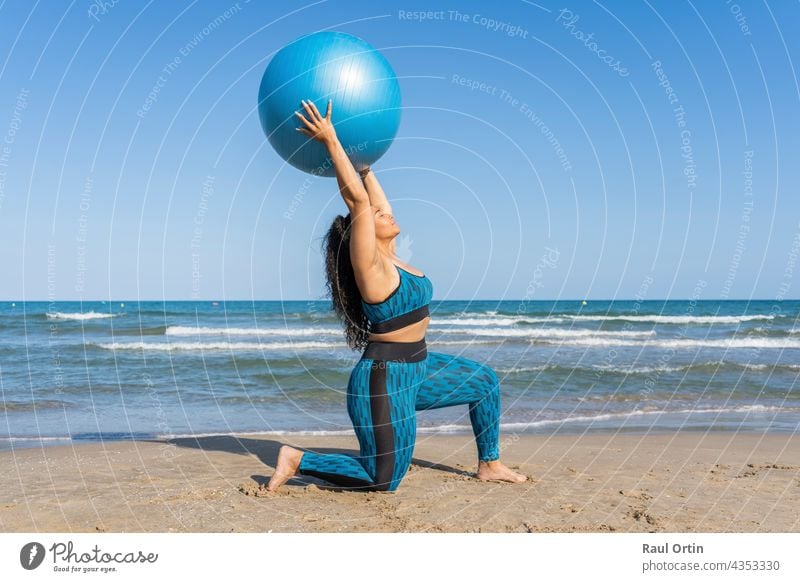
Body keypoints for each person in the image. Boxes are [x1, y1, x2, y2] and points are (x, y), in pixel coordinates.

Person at [266, 98, 527, 492]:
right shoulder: (370, 268)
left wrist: (366, 162)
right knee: (383, 479)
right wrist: (331, 140)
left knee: (484, 381)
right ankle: (298, 458)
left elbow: (373, 199)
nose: (385, 212)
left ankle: (489, 463)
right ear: (361, 234)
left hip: (419, 368)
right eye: (377, 216)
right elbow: (358, 201)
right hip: (384, 380)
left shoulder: (396, 260)